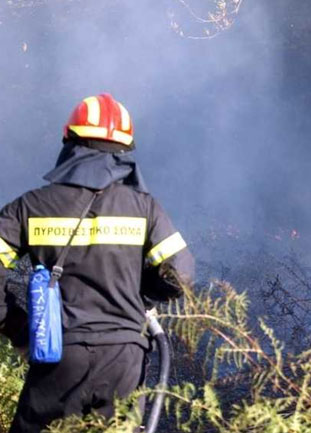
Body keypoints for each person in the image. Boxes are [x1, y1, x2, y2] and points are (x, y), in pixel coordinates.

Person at [0, 93, 195, 433]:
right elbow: (180, 273)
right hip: (125, 360)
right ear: (124, 151)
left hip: (57, 355)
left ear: (70, 142)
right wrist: (141, 290)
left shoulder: (30, 206)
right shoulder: (145, 207)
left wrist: (18, 329)